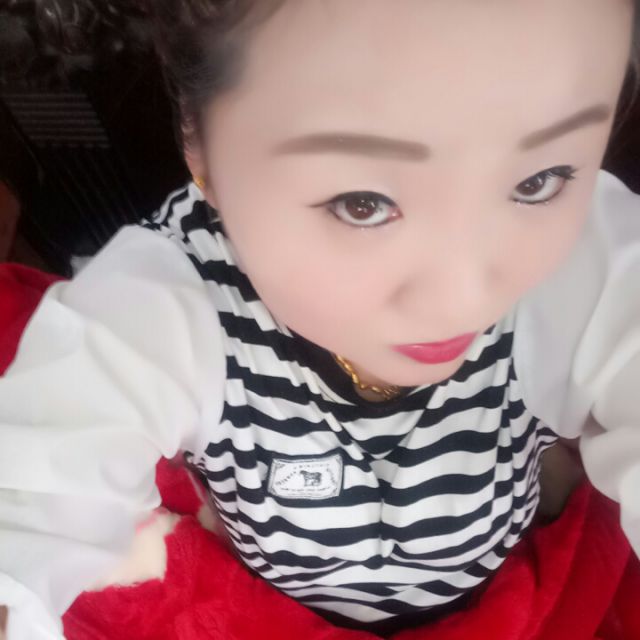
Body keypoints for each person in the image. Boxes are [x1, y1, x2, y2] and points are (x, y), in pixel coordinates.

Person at [1, 0, 640, 637]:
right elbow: (33, 503)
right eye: (363, 203)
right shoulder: (164, 299)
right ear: (199, 144)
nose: (463, 301)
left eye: (539, 181)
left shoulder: (587, 268)